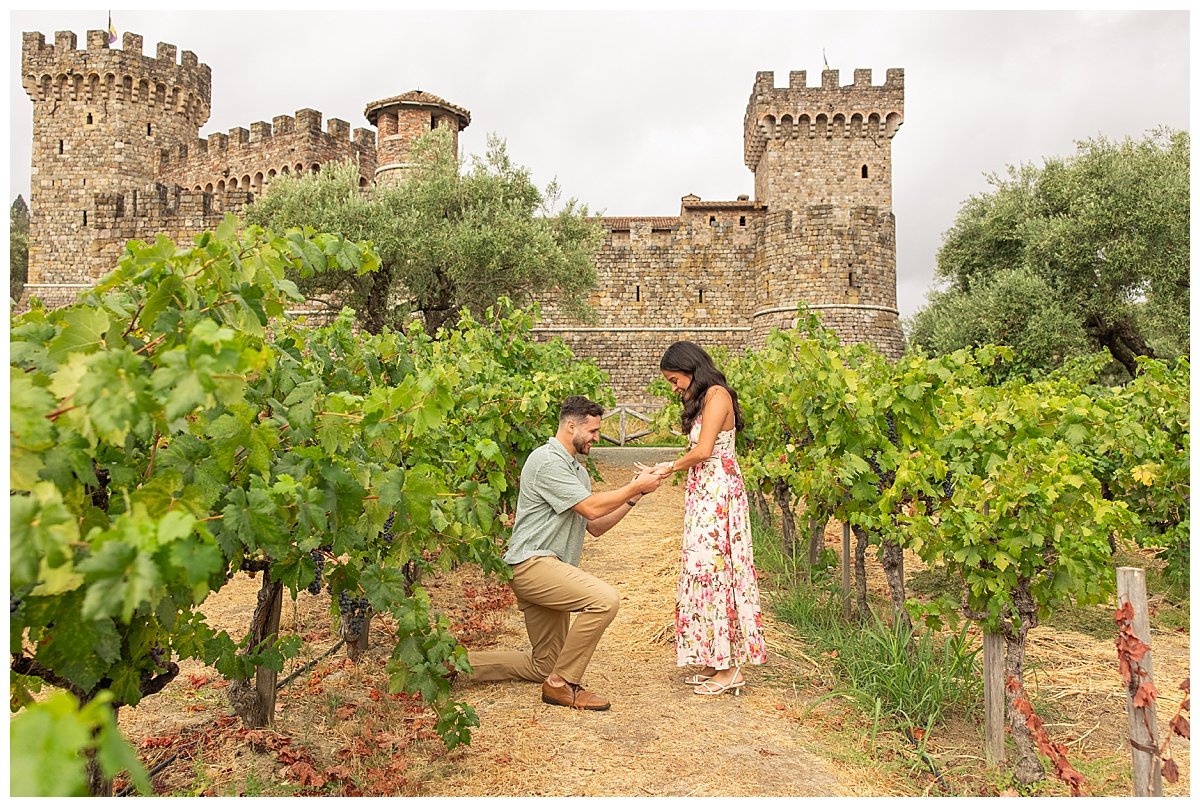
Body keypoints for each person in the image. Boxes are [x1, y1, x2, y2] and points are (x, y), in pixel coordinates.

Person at [465, 395, 664, 711]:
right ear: (571, 425)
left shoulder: (577, 472)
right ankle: (562, 684)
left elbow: (595, 524)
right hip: (532, 565)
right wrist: (633, 485)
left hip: (549, 569)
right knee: (604, 600)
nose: (597, 438)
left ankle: (458, 665)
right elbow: (589, 506)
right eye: (594, 431)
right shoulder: (547, 461)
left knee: (543, 665)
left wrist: (636, 493)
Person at [643, 341, 767, 696]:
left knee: (716, 570)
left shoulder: (718, 395)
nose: (674, 387)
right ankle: (717, 660)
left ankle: (730, 670)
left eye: (674, 379)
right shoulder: (703, 397)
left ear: (690, 367)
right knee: (702, 568)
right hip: (705, 490)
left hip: (718, 492)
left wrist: (667, 467)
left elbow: (704, 450)